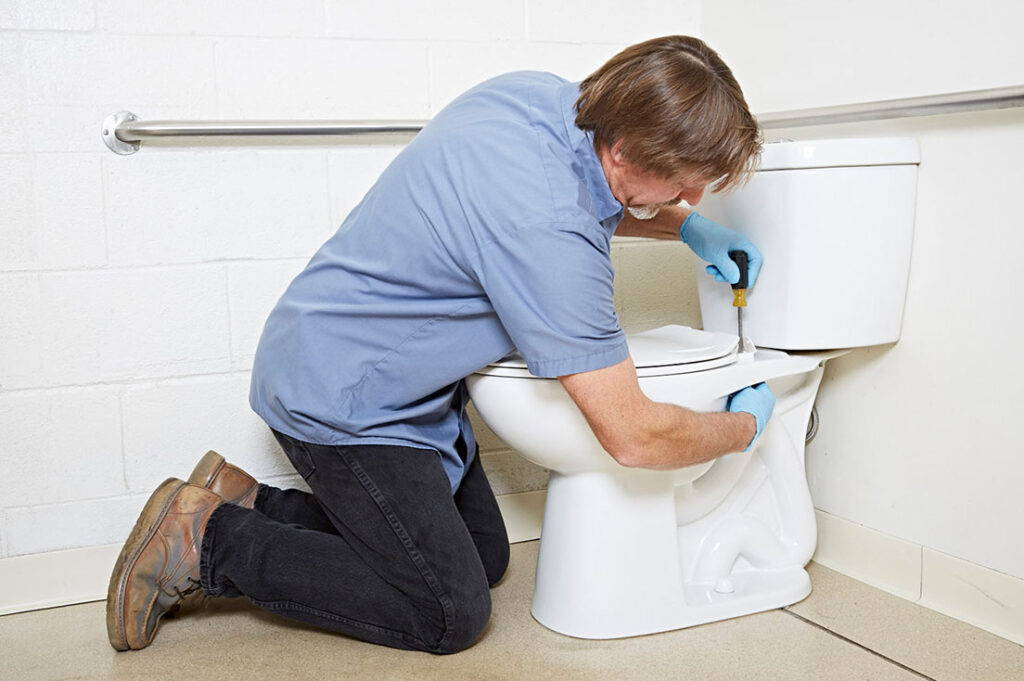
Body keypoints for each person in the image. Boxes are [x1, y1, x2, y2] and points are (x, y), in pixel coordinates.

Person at [106, 34, 774, 654]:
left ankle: (250, 500)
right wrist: (742, 428)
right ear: (627, 150)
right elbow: (632, 435)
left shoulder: (543, 99)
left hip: (372, 363)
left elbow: (580, 195)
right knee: (451, 609)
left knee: (485, 557)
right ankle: (206, 539)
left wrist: (685, 227)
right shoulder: (551, 234)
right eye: (683, 182)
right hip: (342, 399)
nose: (691, 196)